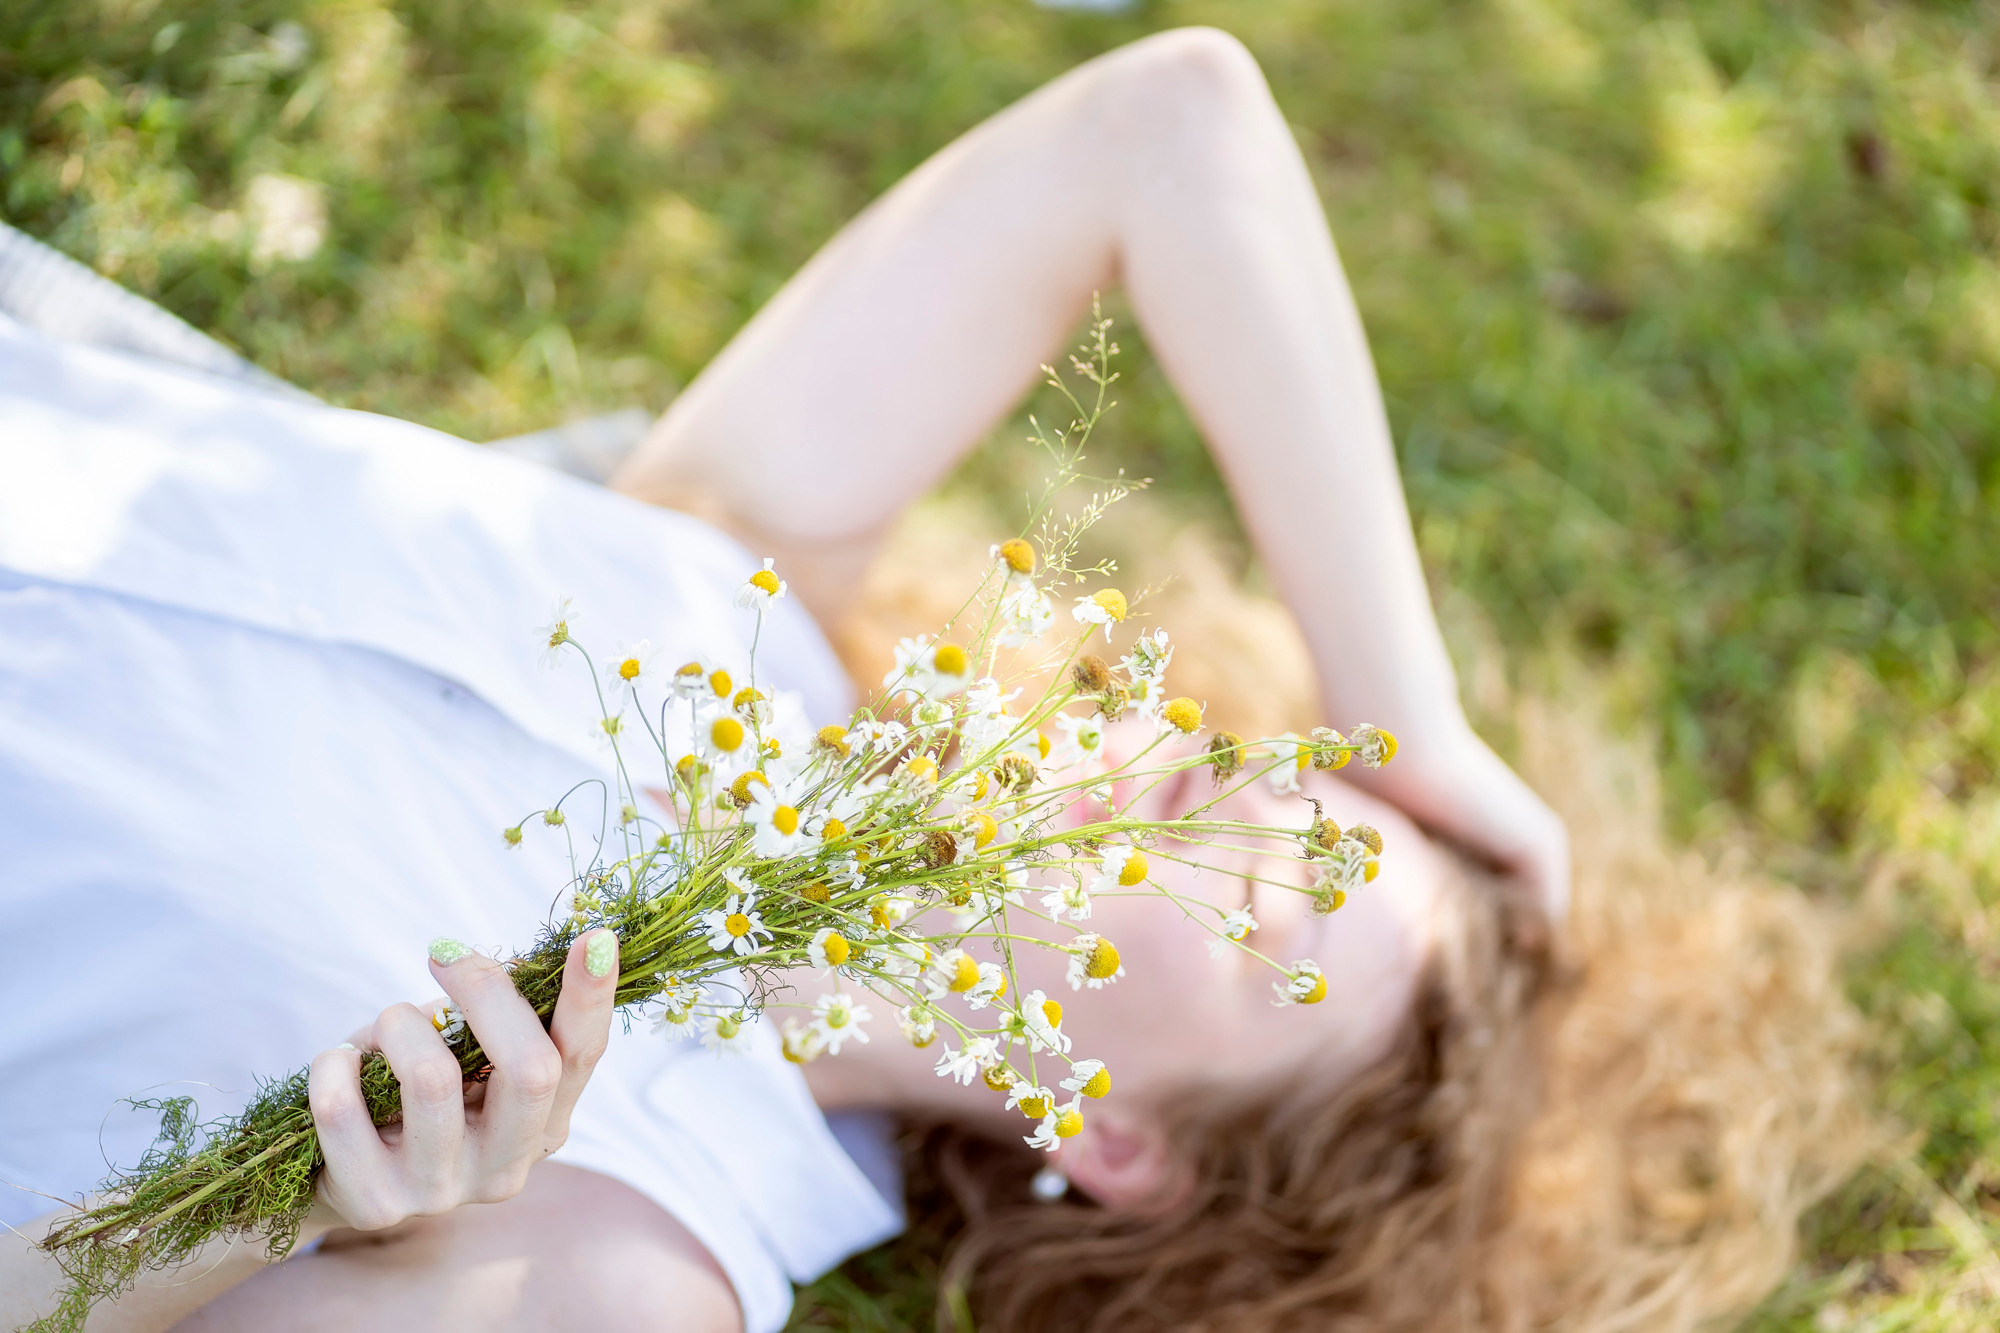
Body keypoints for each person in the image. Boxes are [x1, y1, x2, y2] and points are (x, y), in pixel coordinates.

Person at [2, 27, 1853, 1333]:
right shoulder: (736, 596)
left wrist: (287, 1200)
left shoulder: (632, 1249)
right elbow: (1173, 121)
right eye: (1260, 766)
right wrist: (1419, 723)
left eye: (1274, 896)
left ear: (1117, 1143)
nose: (1211, 797)